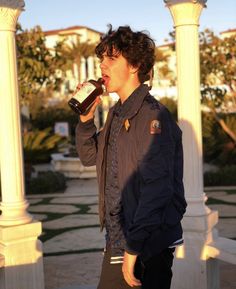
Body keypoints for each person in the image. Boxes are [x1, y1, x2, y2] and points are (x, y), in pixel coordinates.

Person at [75, 25, 187, 289]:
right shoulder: (118, 113)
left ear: (135, 65)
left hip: (145, 244)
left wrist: (133, 250)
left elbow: (158, 189)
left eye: (111, 58)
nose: (102, 65)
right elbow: (90, 156)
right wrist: (85, 120)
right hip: (121, 238)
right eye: (101, 58)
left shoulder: (152, 116)